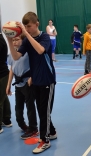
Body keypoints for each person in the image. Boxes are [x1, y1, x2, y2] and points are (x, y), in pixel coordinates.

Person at [6, 12, 57, 154]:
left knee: (44, 111)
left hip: (47, 80)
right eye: (25, 27)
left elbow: (41, 50)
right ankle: (51, 132)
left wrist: (25, 33)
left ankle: (45, 140)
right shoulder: (27, 41)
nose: (27, 29)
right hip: (35, 81)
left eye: (29, 26)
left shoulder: (44, 37)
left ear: (37, 24)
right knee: (42, 110)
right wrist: (9, 40)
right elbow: (16, 57)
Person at [6, 34, 38, 139]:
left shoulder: (27, 52)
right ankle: (22, 124)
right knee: (18, 108)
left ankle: (33, 128)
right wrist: (8, 85)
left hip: (27, 83)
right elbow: (12, 69)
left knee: (30, 107)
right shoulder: (12, 53)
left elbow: (35, 64)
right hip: (18, 85)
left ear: (22, 40)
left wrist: (32, 77)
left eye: (17, 40)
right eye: (13, 40)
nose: (14, 42)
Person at [0, 33, 12, 134]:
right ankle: (6, 119)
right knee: (3, 97)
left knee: (0, 98)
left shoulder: (0, 40)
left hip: (2, 74)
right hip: (2, 73)